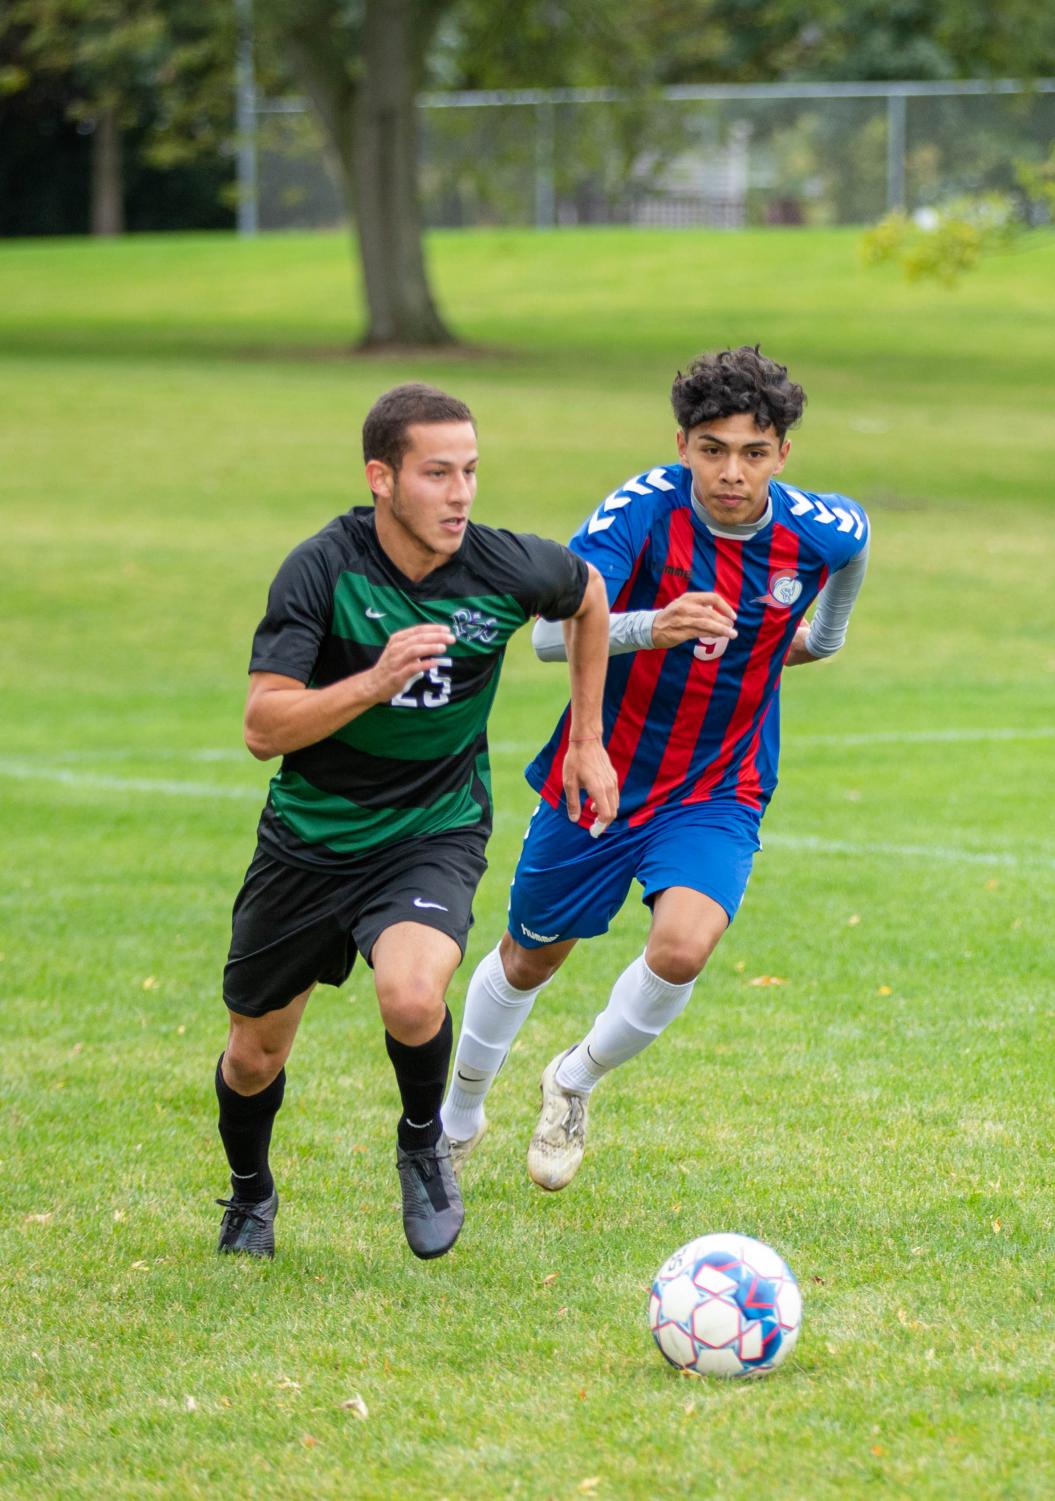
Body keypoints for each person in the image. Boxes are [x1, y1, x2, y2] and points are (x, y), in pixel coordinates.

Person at [441, 346, 869, 1189]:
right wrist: (653, 625)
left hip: (719, 781)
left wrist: (819, 639)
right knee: (530, 957)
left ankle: (572, 1080)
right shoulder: (636, 515)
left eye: (753, 452)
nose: (731, 472)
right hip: (599, 769)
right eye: (712, 449)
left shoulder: (821, 528)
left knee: (683, 947)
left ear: (782, 452)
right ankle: (454, 1118)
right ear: (681, 445)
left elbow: (846, 567)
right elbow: (546, 636)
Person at [214, 383, 617, 1260]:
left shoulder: (505, 566)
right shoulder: (322, 568)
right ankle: (249, 1195)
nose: (461, 493)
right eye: (437, 473)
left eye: (470, 471)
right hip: (310, 839)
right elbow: (260, 727)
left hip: (431, 830)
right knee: (253, 1056)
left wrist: (586, 738)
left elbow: (588, 597)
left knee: (409, 992)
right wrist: (371, 681)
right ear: (382, 478)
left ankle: (421, 1143)